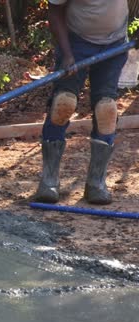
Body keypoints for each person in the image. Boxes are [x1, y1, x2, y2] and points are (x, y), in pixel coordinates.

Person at [34, 0, 129, 205]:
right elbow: (55, 9)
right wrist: (67, 54)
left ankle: (96, 183)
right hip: (76, 41)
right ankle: (49, 180)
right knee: (63, 104)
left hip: (115, 43)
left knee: (106, 110)